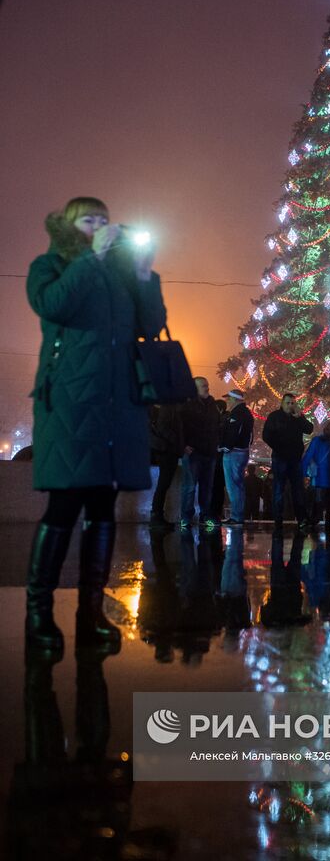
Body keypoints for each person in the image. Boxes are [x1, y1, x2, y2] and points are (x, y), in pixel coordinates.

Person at [25, 196, 166, 654]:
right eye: (89, 220)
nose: (100, 226)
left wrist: (144, 273)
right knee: (64, 507)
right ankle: (39, 614)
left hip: (118, 404)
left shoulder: (124, 273)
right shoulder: (51, 265)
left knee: (104, 511)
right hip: (70, 402)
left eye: (104, 220)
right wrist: (93, 256)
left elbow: (153, 325)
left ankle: (91, 614)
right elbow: (53, 305)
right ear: (70, 225)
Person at [262, 393, 313, 529]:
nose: (290, 405)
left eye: (292, 403)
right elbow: (266, 435)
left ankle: (301, 518)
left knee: (298, 489)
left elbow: (309, 429)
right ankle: (278, 518)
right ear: (282, 403)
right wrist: (279, 446)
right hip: (280, 458)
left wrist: (300, 417)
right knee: (279, 489)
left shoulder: (297, 417)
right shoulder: (274, 417)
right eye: (288, 403)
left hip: (295, 459)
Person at [179, 377, 220, 531]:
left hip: (209, 452)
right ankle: (186, 516)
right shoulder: (187, 405)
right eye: (203, 386)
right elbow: (179, 426)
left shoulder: (212, 405)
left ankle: (205, 515)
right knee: (189, 487)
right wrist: (184, 445)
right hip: (194, 452)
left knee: (206, 487)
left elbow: (217, 425)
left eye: (207, 385)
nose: (207, 388)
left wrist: (216, 443)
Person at [220, 389, 254, 525]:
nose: (227, 401)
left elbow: (234, 432)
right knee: (238, 485)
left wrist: (225, 446)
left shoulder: (237, 414)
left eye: (229, 398)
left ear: (235, 399)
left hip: (234, 453)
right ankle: (238, 515)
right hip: (242, 452)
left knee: (233, 485)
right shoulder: (246, 413)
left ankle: (236, 516)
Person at [148, 403, 183, 530]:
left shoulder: (165, 407)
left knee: (164, 484)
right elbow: (164, 429)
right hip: (167, 451)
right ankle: (156, 515)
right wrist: (177, 442)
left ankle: (157, 515)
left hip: (164, 450)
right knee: (163, 484)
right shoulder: (168, 408)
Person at [303, 420, 330, 530]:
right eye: (328, 429)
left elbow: (308, 456)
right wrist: (304, 473)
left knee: (329, 501)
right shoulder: (318, 441)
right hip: (321, 476)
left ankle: (324, 520)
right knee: (320, 500)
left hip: (329, 476)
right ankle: (318, 519)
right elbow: (308, 456)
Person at [207, 398, 228, 525]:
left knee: (216, 486)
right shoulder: (226, 420)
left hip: (217, 460)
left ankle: (213, 512)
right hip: (220, 460)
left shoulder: (220, 422)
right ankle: (216, 512)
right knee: (218, 487)